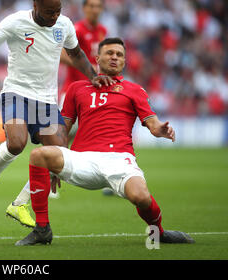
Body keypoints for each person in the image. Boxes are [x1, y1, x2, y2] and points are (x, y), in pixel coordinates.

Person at [0, 0, 114, 228]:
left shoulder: (64, 24)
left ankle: (19, 203)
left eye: (58, 11)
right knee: (16, 143)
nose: (54, 16)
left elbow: (75, 54)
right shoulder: (15, 22)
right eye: (49, 12)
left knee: (59, 156)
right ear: (35, 6)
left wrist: (93, 75)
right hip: (17, 94)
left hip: (46, 100)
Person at [16, 37, 195, 246]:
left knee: (142, 197)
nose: (114, 57)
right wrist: (54, 166)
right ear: (97, 57)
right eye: (109, 53)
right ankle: (42, 229)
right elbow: (62, 128)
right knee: (39, 155)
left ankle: (159, 232)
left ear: (124, 62)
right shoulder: (76, 88)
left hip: (119, 159)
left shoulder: (134, 90)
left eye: (119, 55)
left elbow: (153, 123)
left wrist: (161, 130)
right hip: (82, 159)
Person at [54, 0, 108, 198]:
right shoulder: (76, 29)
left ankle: (107, 179)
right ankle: (53, 175)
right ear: (85, 8)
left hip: (95, 90)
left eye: (98, 6)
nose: (95, 9)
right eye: (91, 6)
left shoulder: (103, 31)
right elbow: (60, 54)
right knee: (61, 135)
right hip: (73, 90)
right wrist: (86, 66)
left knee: (101, 131)